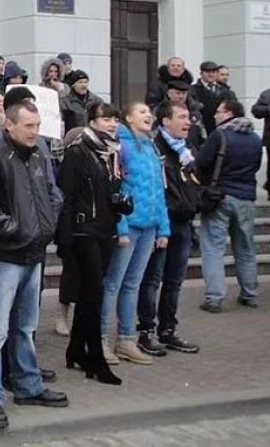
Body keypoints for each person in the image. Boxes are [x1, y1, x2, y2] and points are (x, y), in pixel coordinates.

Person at [0, 101, 67, 430]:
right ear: (9, 125)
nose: (35, 131)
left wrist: (47, 223)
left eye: (37, 125)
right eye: (28, 125)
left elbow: (52, 191)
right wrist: (13, 228)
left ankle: (28, 385)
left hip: (34, 252)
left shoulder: (38, 151)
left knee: (25, 328)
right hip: (5, 255)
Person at [57, 103, 124, 386]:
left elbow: (108, 191)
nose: (112, 124)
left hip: (104, 229)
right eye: (106, 119)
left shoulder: (110, 153)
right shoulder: (78, 151)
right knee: (94, 294)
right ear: (93, 122)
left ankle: (76, 349)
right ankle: (95, 358)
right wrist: (65, 238)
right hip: (83, 231)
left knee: (88, 295)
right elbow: (65, 196)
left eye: (115, 120)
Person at [101, 102, 171, 366]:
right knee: (113, 284)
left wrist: (163, 227)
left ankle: (126, 340)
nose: (148, 116)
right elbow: (117, 189)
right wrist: (120, 227)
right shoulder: (122, 146)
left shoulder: (152, 147)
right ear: (128, 117)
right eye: (141, 112)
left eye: (148, 112)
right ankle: (100, 340)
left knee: (133, 284)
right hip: (129, 226)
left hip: (149, 226)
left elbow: (158, 190)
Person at [136, 101, 202, 355]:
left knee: (174, 281)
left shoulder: (186, 150)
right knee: (152, 280)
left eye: (189, 117)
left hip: (183, 223)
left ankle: (168, 329)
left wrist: (198, 198)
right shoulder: (154, 148)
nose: (188, 122)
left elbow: (194, 181)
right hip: (161, 223)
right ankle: (146, 330)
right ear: (165, 121)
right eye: (182, 117)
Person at [196, 97, 262, 312]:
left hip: (220, 196)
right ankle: (249, 293)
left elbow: (201, 162)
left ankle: (215, 297)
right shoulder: (254, 138)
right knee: (245, 247)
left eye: (219, 111)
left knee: (213, 248)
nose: (215, 115)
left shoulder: (220, 135)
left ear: (229, 114)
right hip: (247, 198)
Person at [191, 61, 236, 134]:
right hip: (202, 130)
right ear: (201, 73)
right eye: (207, 72)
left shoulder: (226, 91)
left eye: (214, 72)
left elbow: (234, 110)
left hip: (222, 130)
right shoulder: (193, 89)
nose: (211, 74)